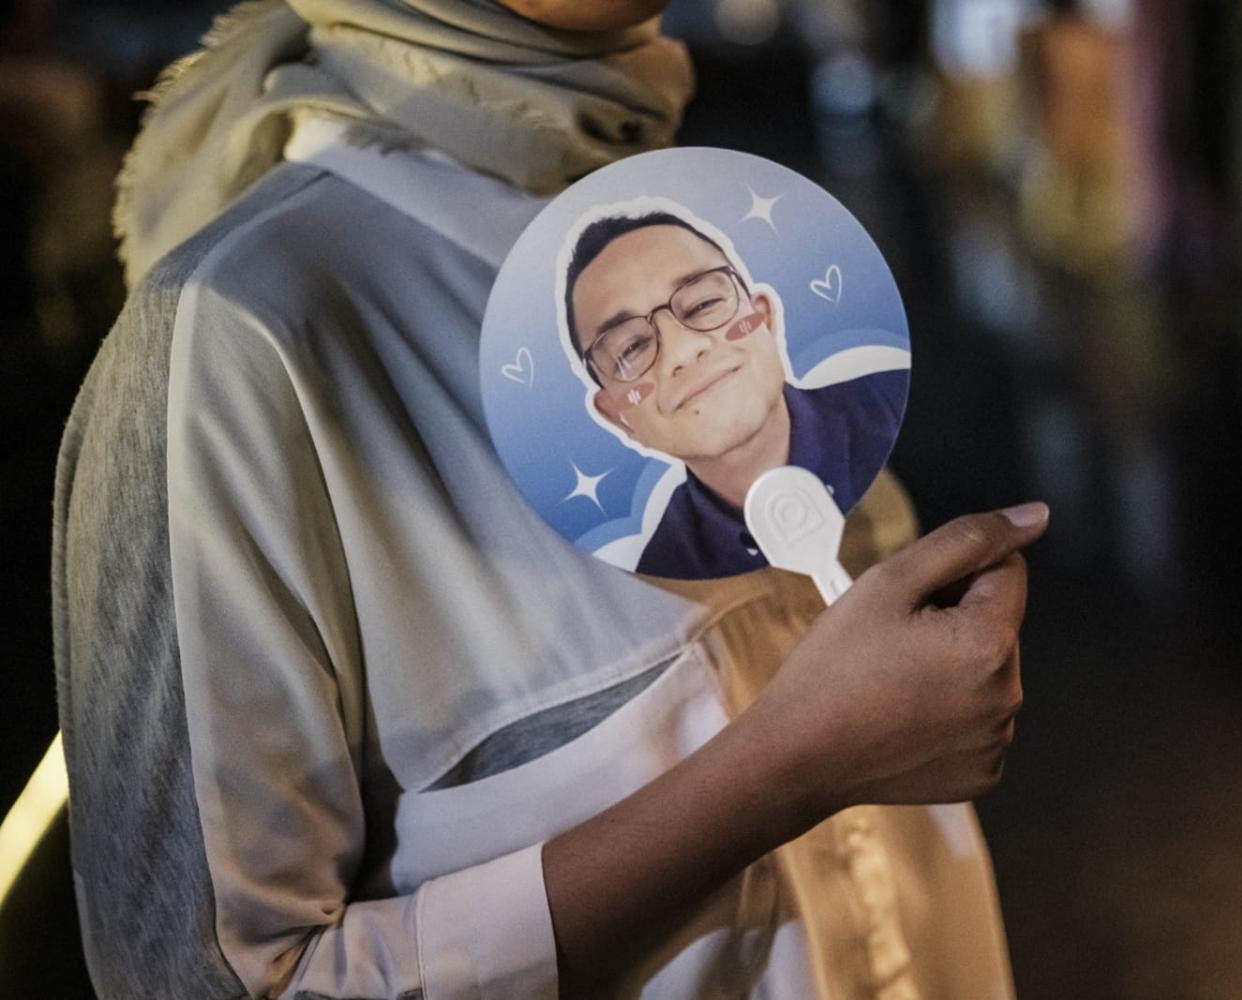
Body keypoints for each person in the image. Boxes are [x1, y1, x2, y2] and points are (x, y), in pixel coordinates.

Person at [52, 0, 1047, 997]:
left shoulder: (681, 201)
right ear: (617, 407)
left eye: (704, 309)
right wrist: (790, 768)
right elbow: (205, 979)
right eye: (635, 348)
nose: (688, 344)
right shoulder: (241, 331)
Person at [563, 209, 906, 577]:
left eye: (702, 304)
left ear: (766, 319)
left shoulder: (907, 405)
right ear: (618, 416)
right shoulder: (662, 584)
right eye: (631, 349)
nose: (683, 350)